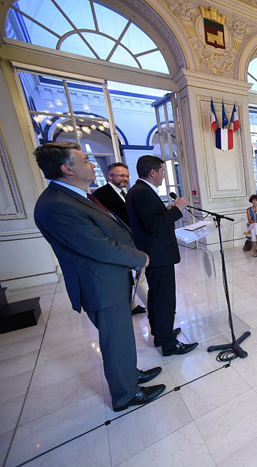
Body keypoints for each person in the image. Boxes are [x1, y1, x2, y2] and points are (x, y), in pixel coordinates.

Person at [33, 142, 164, 412]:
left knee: (122, 336)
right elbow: (97, 246)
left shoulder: (74, 195)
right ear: (67, 168)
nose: (92, 165)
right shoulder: (56, 204)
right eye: (85, 161)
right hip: (99, 283)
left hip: (109, 278)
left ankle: (129, 375)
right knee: (115, 339)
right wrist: (139, 257)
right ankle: (126, 394)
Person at [126, 156, 198, 357]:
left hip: (154, 253)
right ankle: (168, 343)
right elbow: (153, 226)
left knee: (157, 296)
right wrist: (177, 210)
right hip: (158, 254)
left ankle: (161, 332)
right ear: (152, 172)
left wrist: (166, 211)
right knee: (164, 298)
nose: (164, 176)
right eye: (163, 171)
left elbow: (151, 220)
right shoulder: (143, 193)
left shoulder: (139, 190)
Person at [92, 161, 147, 315]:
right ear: (110, 176)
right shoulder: (100, 194)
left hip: (130, 238)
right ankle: (153, 306)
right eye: (121, 175)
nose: (125, 179)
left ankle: (131, 305)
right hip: (117, 240)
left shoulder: (125, 193)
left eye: (127, 176)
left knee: (133, 274)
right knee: (138, 273)